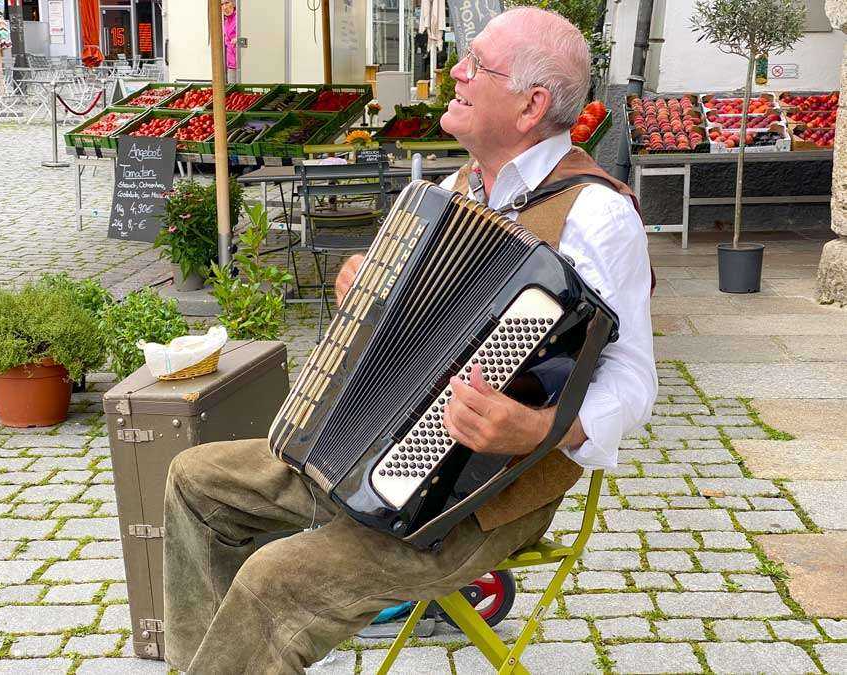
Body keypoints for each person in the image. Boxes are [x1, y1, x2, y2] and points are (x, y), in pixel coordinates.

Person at [162, 8, 657, 674]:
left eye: (478, 64)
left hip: (482, 501)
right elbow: (404, 338)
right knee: (195, 482)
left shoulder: (597, 214)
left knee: (272, 579)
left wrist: (538, 426)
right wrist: (367, 290)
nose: (457, 70)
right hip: (369, 456)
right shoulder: (452, 191)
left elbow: (633, 379)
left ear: (530, 104)